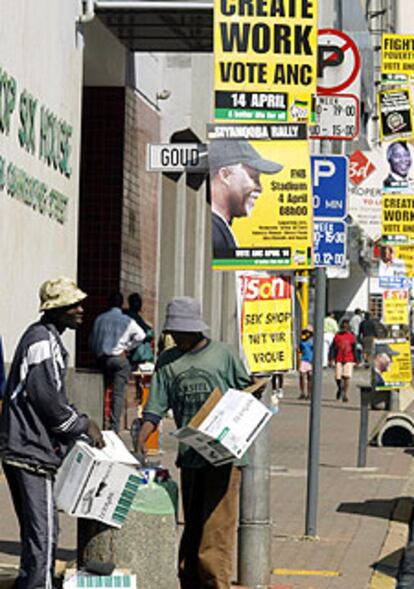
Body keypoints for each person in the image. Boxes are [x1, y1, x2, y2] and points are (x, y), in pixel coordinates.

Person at [138, 297, 252, 589]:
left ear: (196, 330)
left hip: (224, 457)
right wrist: (142, 435)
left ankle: (216, 583)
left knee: (216, 530)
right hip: (191, 455)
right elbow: (155, 406)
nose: (175, 337)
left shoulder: (223, 355)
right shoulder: (167, 361)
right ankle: (188, 580)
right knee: (192, 526)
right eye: (172, 332)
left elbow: (247, 391)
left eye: (180, 332)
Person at [0, 277, 105, 589]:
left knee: (36, 533)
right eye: (73, 306)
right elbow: (50, 402)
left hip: (23, 448)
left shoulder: (45, 338)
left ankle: (30, 581)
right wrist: (84, 424)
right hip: (30, 451)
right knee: (44, 534)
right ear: (56, 310)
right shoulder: (43, 342)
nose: (80, 310)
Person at [209, 139, 283, 258]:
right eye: (253, 178)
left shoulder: (217, 228)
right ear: (225, 175)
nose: (260, 188)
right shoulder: (213, 232)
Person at [90, 292, 146, 432]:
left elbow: (93, 339)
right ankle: (114, 427)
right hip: (119, 358)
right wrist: (127, 347)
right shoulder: (126, 320)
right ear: (122, 304)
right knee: (118, 394)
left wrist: (98, 352)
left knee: (101, 391)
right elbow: (141, 335)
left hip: (103, 358)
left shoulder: (100, 319)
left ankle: (100, 421)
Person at [126, 292, 155, 366]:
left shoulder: (136, 316)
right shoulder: (132, 317)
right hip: (138, 354)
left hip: (139, 354)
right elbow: (146, 333)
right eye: (136, 302)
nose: (139, 304)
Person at [332, 319, 357, 402]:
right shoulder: (337, 336)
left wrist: (356, 359)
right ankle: (339, 388)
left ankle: (345, 394)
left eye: (346, 327)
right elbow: (333, 348)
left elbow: (354, 348)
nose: (344, 328)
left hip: (348, 358)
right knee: (338, 377)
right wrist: (331, 358)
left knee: (346, 377)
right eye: (343, 327)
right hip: (339, 358)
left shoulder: (351, 336)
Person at [298, 326, 313, 400]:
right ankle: (302, 392)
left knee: (310, 378)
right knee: (301, 376)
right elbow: (300, 350)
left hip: (311, 361)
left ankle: (309, 393)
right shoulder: (302, 341)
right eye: (305, 332)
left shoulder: (313, 341)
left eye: (308, 332)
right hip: (304, 360)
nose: (307, 334)